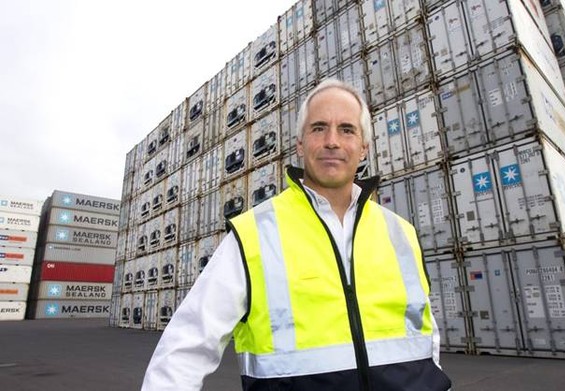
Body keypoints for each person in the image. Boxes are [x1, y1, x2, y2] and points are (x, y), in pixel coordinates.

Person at [141, 78, 452, 390]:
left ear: (364, 147)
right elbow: (184, 350)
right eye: (319, 128)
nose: (332, 140)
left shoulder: (401, 233)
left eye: (346, 129)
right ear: (300, 144)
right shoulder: (254, 235)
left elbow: (427, 340)